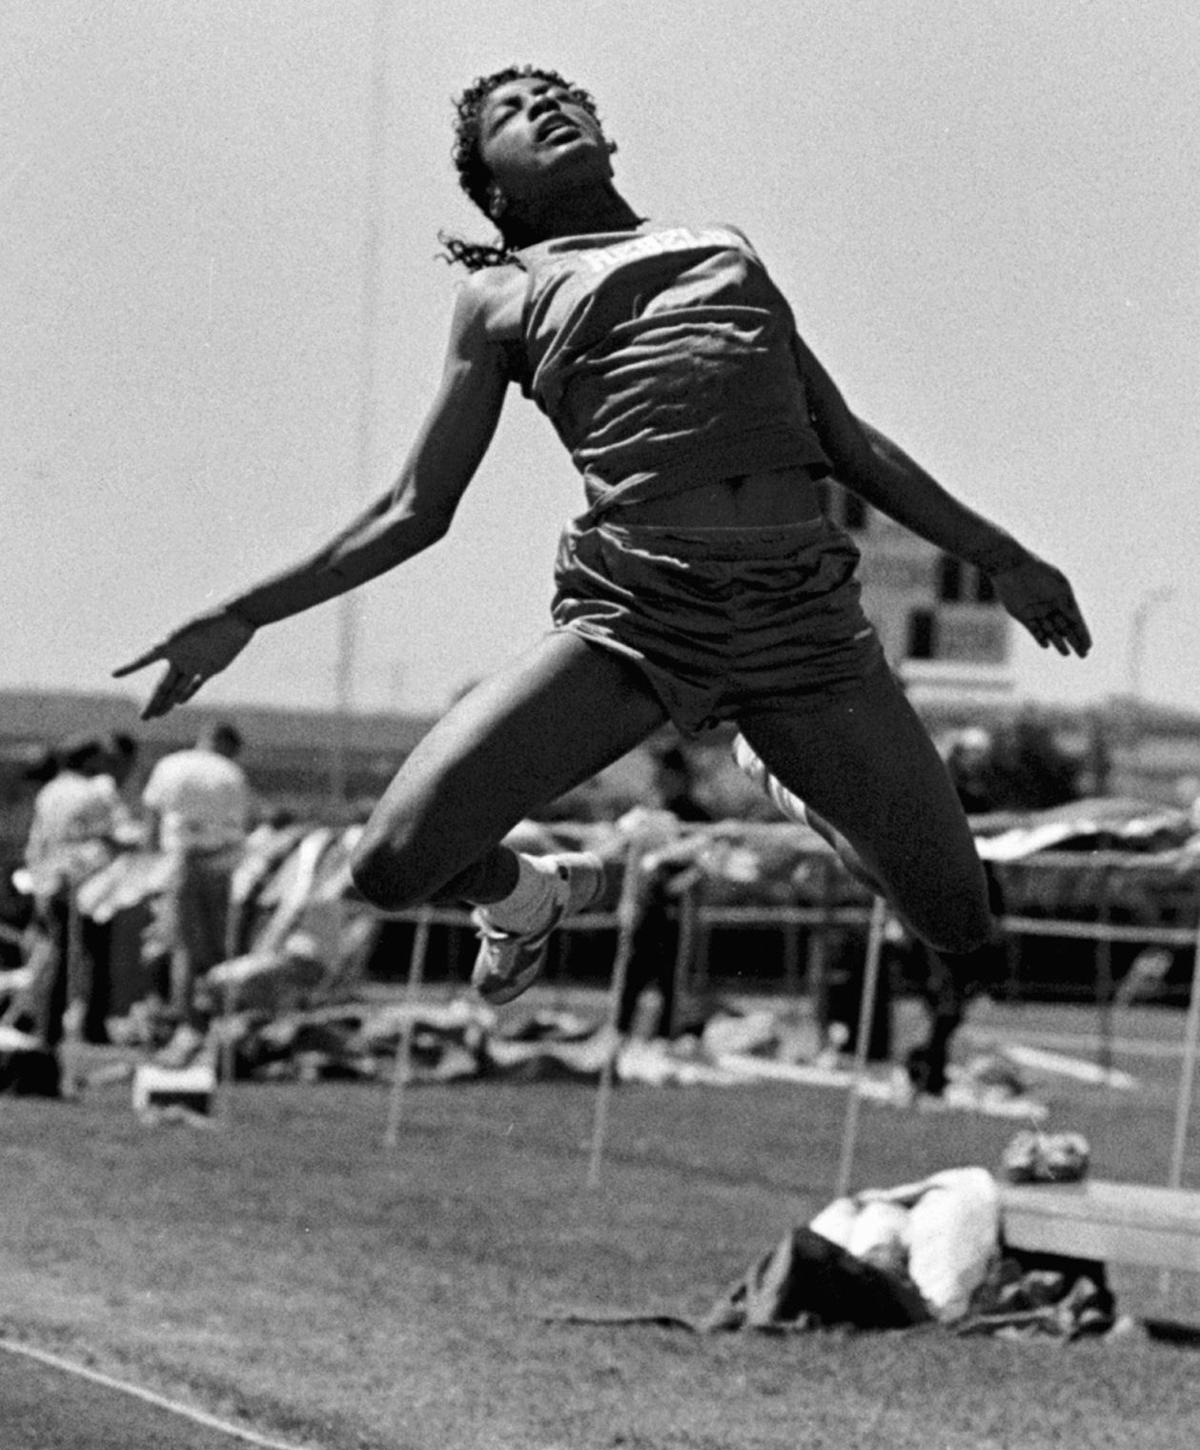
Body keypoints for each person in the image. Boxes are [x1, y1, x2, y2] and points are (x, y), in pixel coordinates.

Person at [114, 66, 1091, 1011]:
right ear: (492, 183)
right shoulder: (503, 294)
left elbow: (847, 441)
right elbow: (417, 507)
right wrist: (241, 614)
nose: (545, 107)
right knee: (390, 864)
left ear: (603, 131)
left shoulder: (723, 247)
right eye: (514, 110)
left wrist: (1001, 555)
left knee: (959, 921)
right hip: (640, 617)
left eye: (558, 96)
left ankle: (784, 769)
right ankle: (527, 895)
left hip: (803, 624)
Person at [22, 734, 128, 1078]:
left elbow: (37, 840)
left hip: (50, 881)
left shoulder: (49, 791)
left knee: (58, 954)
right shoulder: (92, 791)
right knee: (91, 956)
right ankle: (89, 1026)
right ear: (89, 760)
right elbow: (113, 834)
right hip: (86, 883)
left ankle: (47, 1027)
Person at [140, 721, 251, 1043]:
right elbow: (241, 823)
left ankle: (187, 1019)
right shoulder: (231, 773)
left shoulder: (171, 765)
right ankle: (213, 1020)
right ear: (229, 746)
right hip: (221, 864)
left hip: (179, 863)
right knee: (217, 947)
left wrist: (150, 867)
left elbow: (152, 819)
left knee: (184, 946)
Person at [613, 745, 713, 1041]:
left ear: (679, 776)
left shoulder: (695, 815)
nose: (659, 778)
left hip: (676, 909)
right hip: (645, 906)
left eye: (665, 772)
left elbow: (706, 859)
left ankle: (663, 1039)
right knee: (632, 973)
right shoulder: (649, 813)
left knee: (670, 977)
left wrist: (684, 883)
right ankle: (620, 1035)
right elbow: (634, 862)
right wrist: (627, 900)